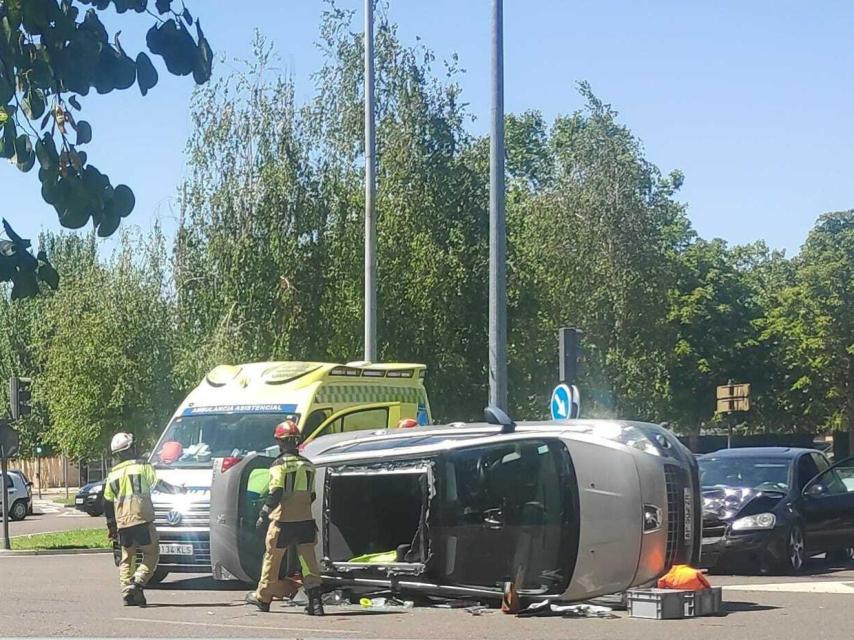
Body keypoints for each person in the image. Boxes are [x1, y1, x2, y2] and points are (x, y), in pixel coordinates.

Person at [245, 420, 324, 616]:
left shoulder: (278, 464)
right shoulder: (309, 465)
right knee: (308, 561)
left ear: (279, 442)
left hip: (283, 522)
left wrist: (264, 513)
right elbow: (312, 495)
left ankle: (263, 598)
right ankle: (315, 602)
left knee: (272, 559)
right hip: (305, 521)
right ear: (297, 441)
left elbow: (276, 491)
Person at [102, 432, 163, 606]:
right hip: (142, 518)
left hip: (122, 522)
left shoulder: (112, 474)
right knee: (151, 553)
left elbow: (106, 502)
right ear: (130, 449)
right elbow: (157, 484)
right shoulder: (143, 466)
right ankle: (138, 581)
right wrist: (179, 491)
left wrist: (111, 526)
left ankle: (126, 591)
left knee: (127, 557)